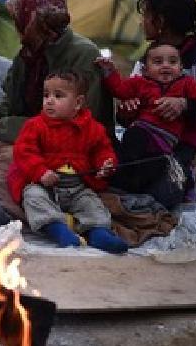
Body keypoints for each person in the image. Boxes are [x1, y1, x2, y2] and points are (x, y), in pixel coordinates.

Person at [0, 0, 112, 218]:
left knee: (13, 161)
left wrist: (2, 128)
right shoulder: (30, 53)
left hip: (68, 153)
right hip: (30, 135)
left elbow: (74, 127)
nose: (17, 28)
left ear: (33, 22)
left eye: (19, 20)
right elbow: (11, 102)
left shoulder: (83, 56)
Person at [127, 0, 196, 201]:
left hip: (184, 141)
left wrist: (184, 104)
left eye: (145, 15)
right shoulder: (148, 58)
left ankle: (188, 184)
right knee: (129, 177)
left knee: (164, 194)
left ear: (161, 21)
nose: (141, 22)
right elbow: (131, 95)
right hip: (148, 134)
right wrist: (128, 109)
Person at [8, 72, 128, 253]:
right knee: (33, 198)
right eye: (46, 95)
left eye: (58, 96)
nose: (49, 101)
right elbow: (24, 151)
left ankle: (98, 233)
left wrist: (106, 164)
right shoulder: (36, 125)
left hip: (78, 186)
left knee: (92, 204)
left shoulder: (92, 128)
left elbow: (102, 150)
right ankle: (58, 231)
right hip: (44, 184)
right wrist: (40, 172)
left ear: (78, 103)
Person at [96, 42, 196, 204]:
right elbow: (120, 89)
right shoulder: (140, 83)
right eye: (158, 62)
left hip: (165, 137)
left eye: (172, 62)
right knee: (135, 151)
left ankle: (125, 180)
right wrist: (109, 71)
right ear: (145, 69)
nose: (166, 66)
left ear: (181, 67)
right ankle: (127, 179)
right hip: (144, 130)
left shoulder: (186, 84)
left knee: (135, 137)